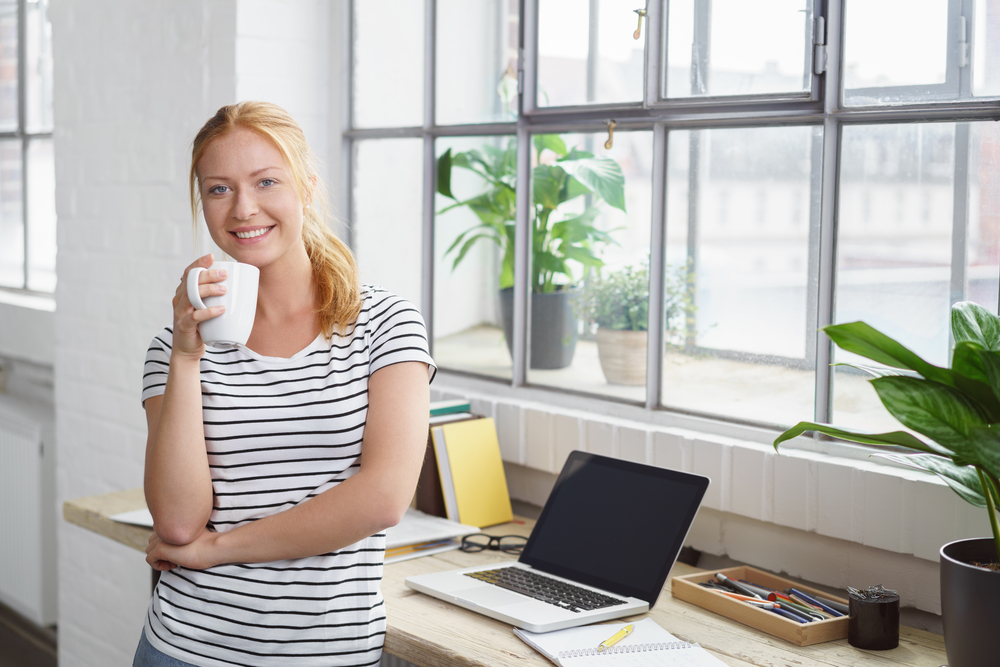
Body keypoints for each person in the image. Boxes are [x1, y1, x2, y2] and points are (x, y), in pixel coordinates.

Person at [134, 101, 434, 667]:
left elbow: (383, 499)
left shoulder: (387, 326)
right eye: (218, 189)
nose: (244, 208)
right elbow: (176, 522)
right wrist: (185, 358)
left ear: (307, 187)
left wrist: (214, 550)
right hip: (184, 649)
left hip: (326, 654)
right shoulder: (172, 351)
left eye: (266, 181)